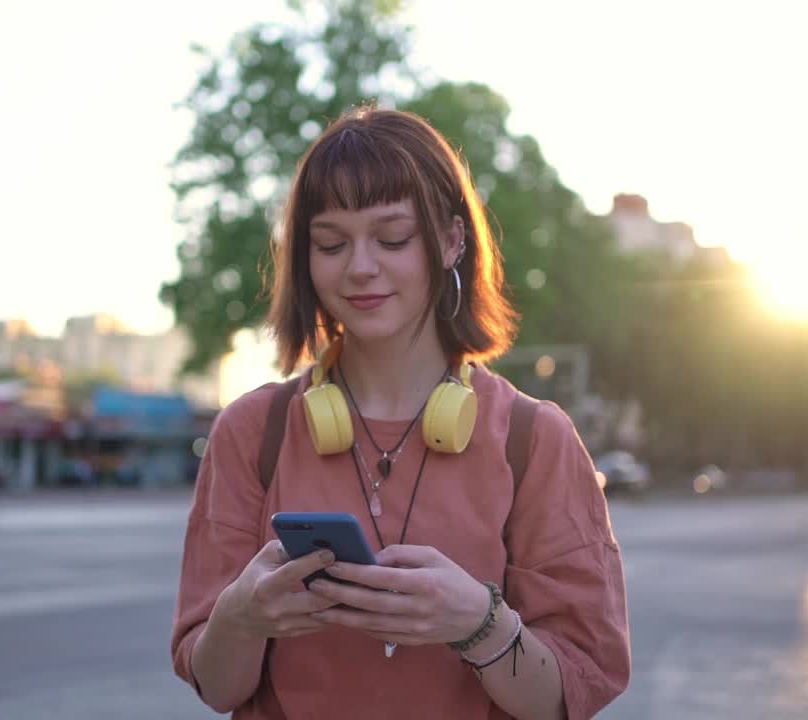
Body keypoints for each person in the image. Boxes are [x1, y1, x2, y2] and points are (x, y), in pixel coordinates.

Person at [171, 106, 629, 719]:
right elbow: (218, 686)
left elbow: (568, 697)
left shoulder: (534, 438)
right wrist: (242, 616)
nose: (360, 267)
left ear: (450, 240)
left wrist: (477, 623)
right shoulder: (250, 432)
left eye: (392, 238)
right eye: (331, 243)